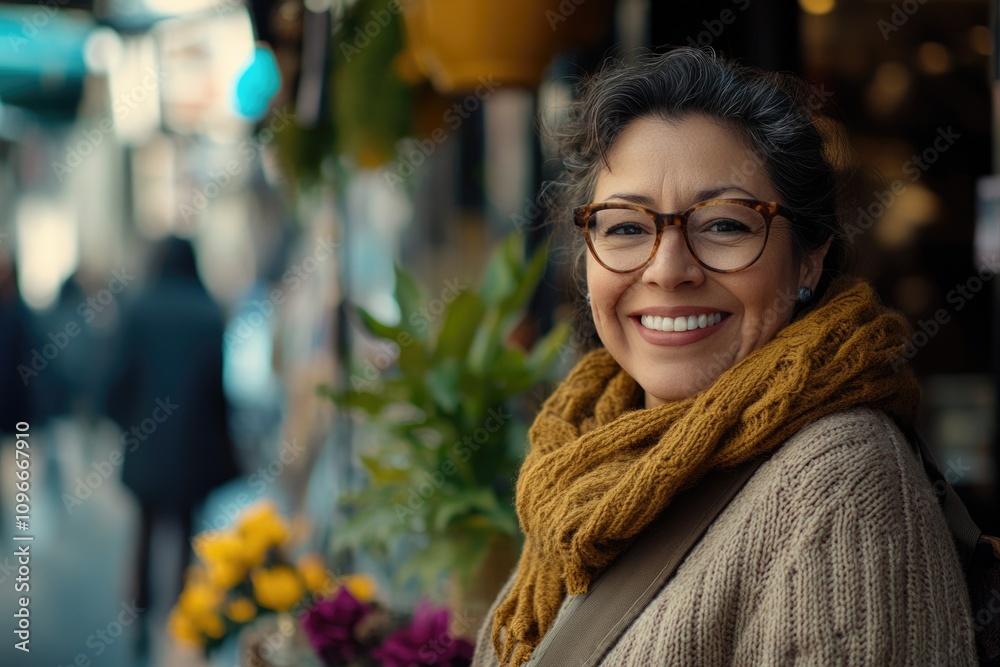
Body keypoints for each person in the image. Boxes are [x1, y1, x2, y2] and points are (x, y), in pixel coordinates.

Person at [471, 48, 977, 666]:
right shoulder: (581, 468)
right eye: (626, 227)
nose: (667, 269)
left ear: (809, 260)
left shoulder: (838, 484)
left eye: (725, 225)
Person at [104, 236, 240, 654]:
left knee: (144, 528)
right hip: (193, 446)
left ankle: (139, 616)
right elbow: (218, 390)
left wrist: (128, 424)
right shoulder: (208, 312)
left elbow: (115, 379)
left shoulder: (138, 309)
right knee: (186, 530)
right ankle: (183, 620)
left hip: (147, 445)